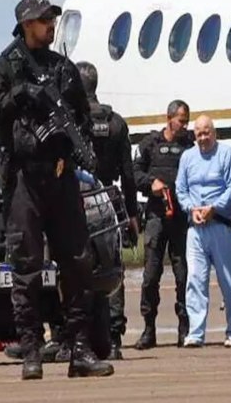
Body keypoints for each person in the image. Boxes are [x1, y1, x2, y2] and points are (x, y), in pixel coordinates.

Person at [0, 0, 113, 380]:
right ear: (25, 24)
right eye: (43, 20)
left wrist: (80, 145)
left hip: (59, 174)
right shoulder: (5, 67)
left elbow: (82, 116)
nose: (51, 25)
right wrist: (20, 94)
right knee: (26, 267)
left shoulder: (63, 69)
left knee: (77, 263)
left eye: (52, 19)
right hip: (23, 177)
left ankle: (80, 350)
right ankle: (32, 351)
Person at [76, 60, 139, 360]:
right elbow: (128, 174)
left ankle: (74, 336)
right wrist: (132, 215)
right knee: (112, 266)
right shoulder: (116, 123)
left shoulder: (74, 121)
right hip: (109, 199)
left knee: (72, 267)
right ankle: (114, 338)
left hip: (78, 197)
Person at [175, 115, 231, 347]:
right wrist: (191, 208)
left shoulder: (226, 155)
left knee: (229, 282)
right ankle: (195, 333)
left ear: (214, 133)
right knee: (195, 281)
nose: (203, 138)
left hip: (220, 225)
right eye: (199, 134)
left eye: (207, 133)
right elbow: (181, 189)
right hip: (195, 229)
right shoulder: (187, 157)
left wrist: (214, 208)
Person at [133, 100, 193, 349]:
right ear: (169, 118)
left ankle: (184, 328)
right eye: (181, 120)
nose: (184, 125)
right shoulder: (150, 144)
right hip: (157, 216)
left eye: (187, 121)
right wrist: (151, 184)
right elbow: (134, 173)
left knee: (183, 275)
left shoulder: (189, 144)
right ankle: (149, 329)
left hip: (180, 217)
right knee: (150, 276)